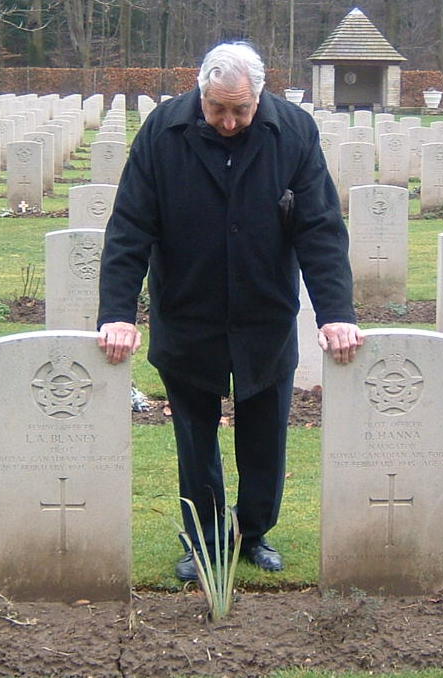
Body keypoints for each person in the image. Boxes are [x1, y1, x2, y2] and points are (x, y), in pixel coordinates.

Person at [97, 42, 363, 581]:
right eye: (217, 108)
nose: (227, 121)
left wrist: (335, 311)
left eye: (240, 110)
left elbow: (319, 227)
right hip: (187, 307)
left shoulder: (292, 132)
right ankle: (203, 539)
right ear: (200, 91)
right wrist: (118, 311)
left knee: (265, 435)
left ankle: (254, 531)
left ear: (260, 94)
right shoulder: (162, 132)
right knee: (195, 437)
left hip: (264, 308)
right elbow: (130, 225)